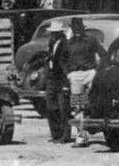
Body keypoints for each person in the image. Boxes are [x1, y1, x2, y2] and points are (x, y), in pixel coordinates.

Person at [61, 17, 105, 146]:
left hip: (90, 74)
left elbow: (103, 54)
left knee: (94, 100)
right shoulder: (68, 44)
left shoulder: (91, 40)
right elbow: (62, 60)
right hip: (75, 76)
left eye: (79, 28)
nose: (77, 31)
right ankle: (81, 136)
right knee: (77, 106)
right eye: (75, 29)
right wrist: (68, 74)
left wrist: (97, 70)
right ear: (72, 29)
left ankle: (93, 127)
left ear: (83, 28)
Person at [42, 22, 70, 144]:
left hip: (61, 78)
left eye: (54, 33)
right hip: (52, 78)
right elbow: (50, 59)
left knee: (63, 108)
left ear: (59, 33)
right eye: (52, 33)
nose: (52, 35)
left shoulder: (65, 44)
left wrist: (66, 81)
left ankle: (64, 135)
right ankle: (56, 134)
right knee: (50, 107)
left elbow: (65, 63)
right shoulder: (52, 43)